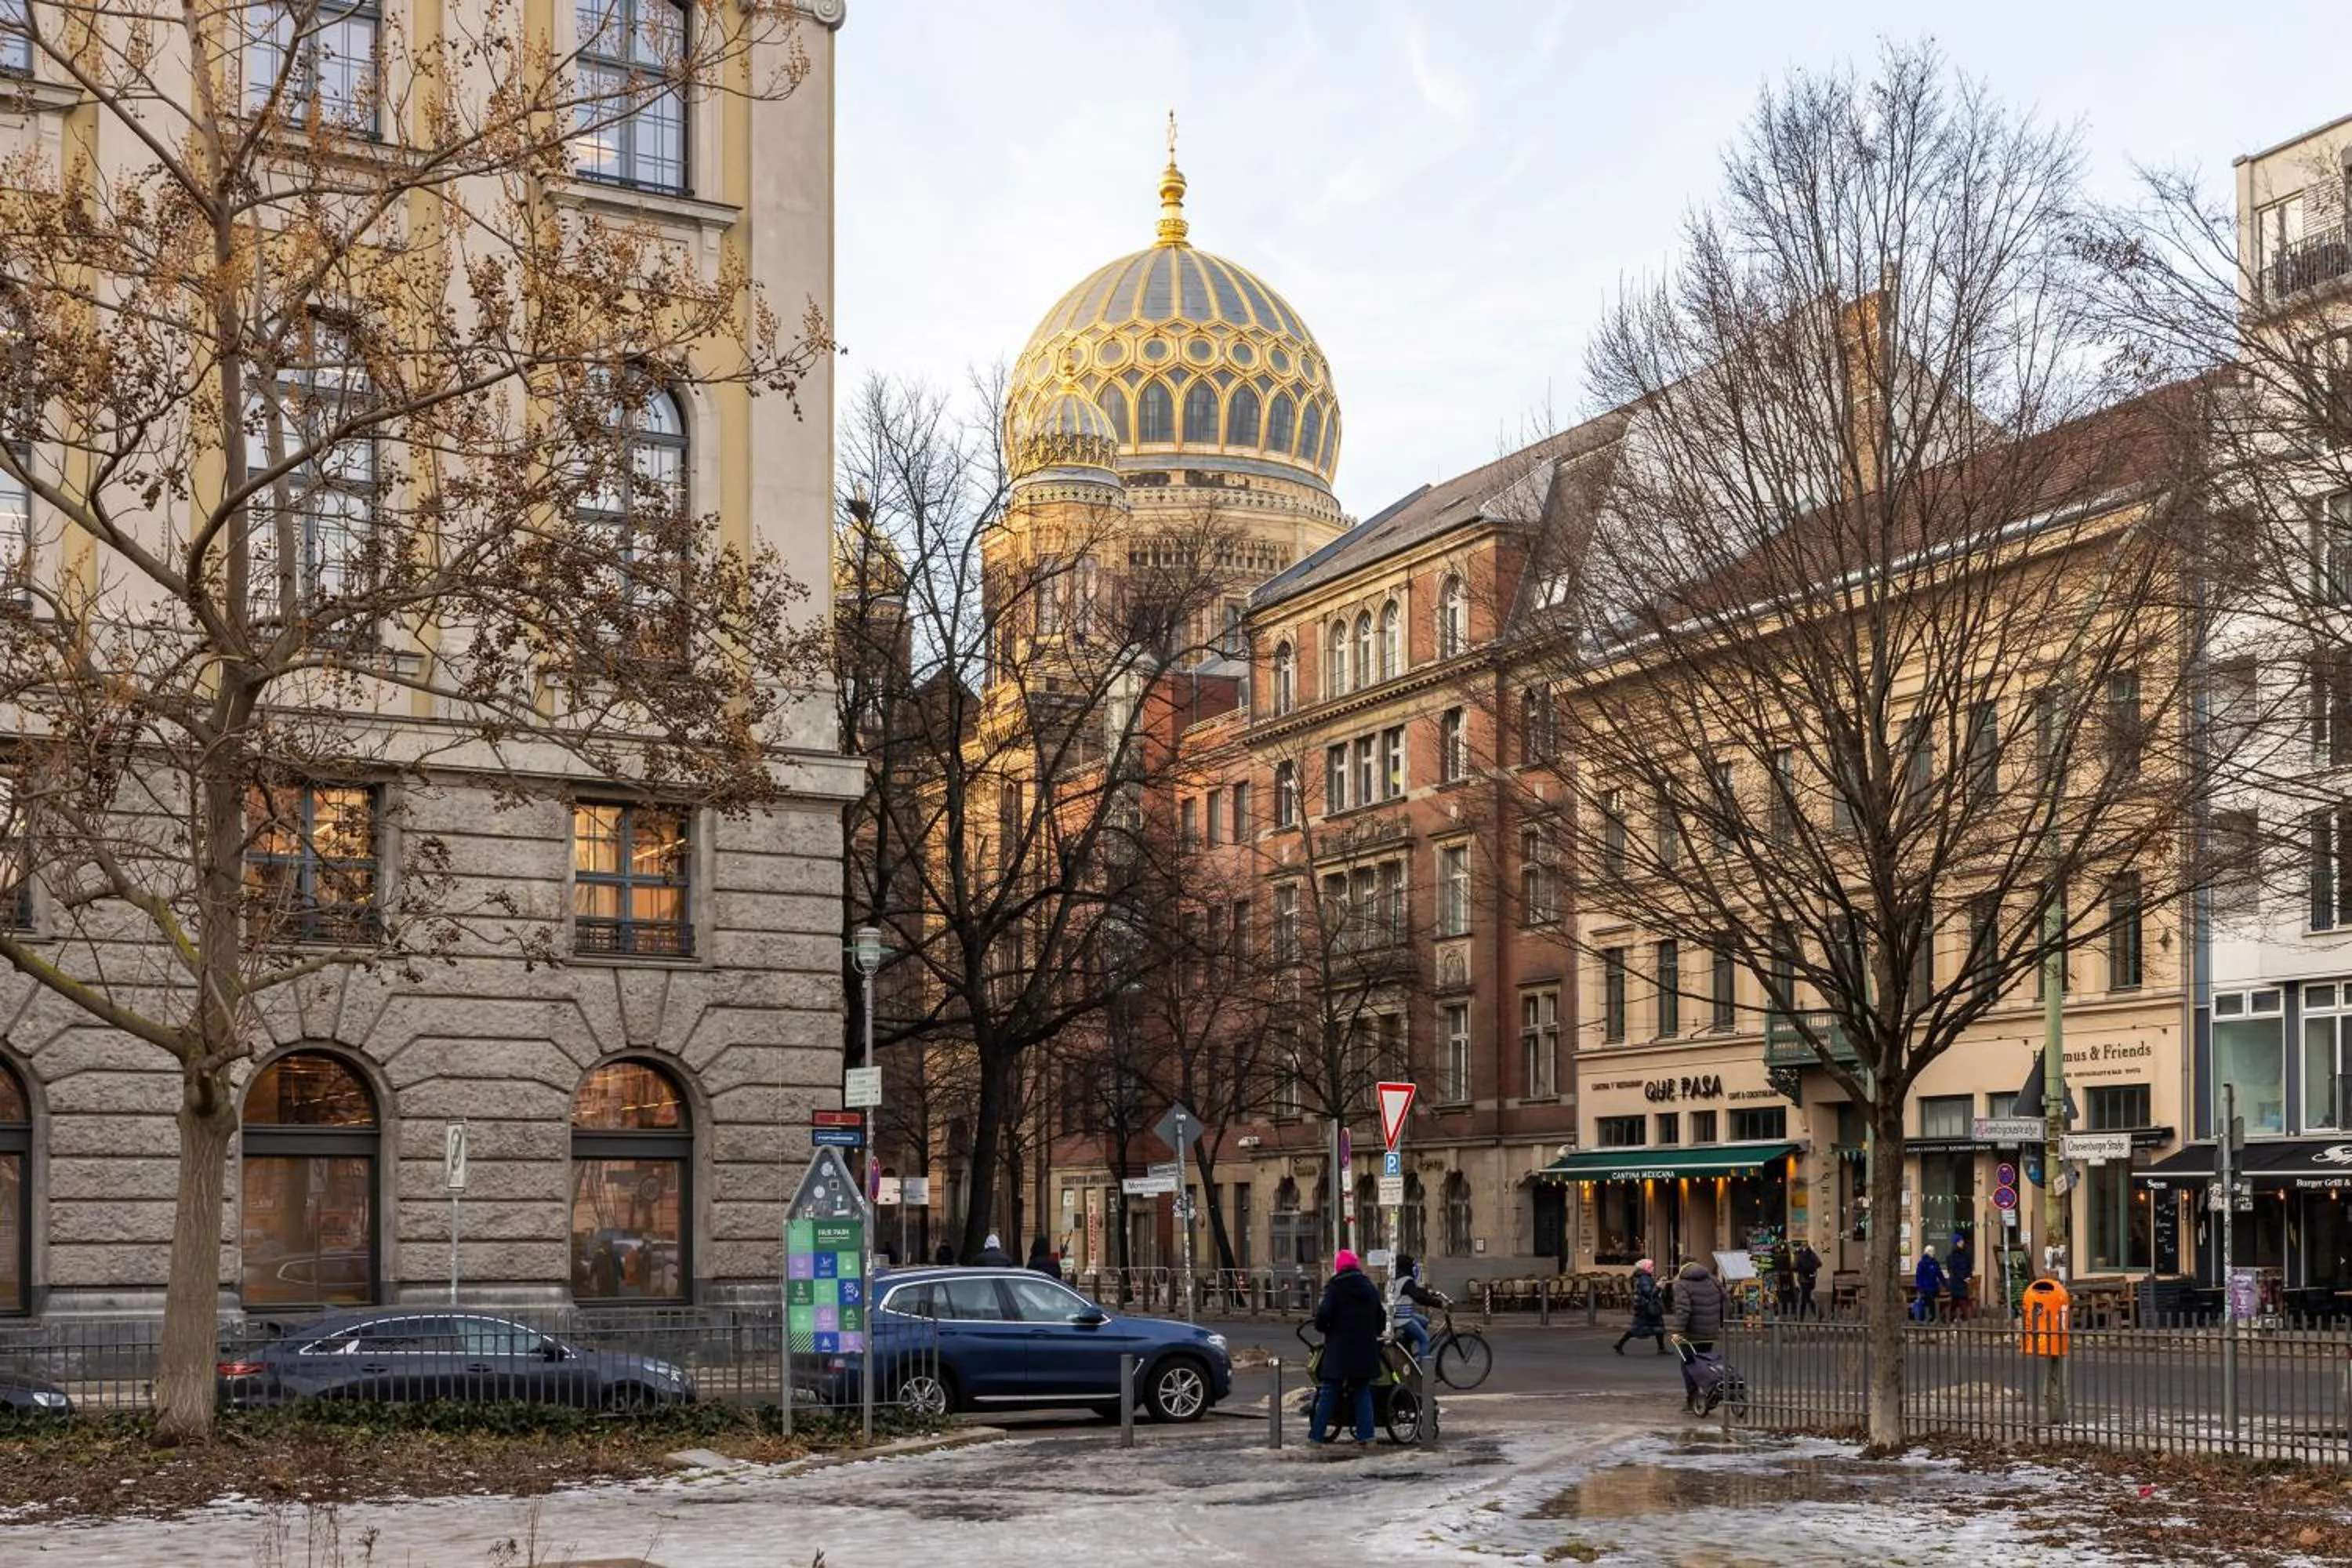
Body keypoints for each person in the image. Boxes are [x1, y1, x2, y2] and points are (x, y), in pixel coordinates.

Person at [1309, 1248, 1385, 1445]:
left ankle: (1317, 1437)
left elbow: (1323, 1316)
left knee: (1329, 1392)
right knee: (1362, 1391)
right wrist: (1372, 1334)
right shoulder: (1369, 1287)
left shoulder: (1335, 1288)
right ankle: (1367, 1437)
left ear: (1338, 1267)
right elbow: (1381, 1318)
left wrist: (1325, 1328)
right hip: (1364, 1350)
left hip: (1339, 1350)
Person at [1668, 1259, 1726, 1410]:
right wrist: (1719, 1323)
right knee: (1706, 1363)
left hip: (1691, 1333)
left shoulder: (1681, 1284)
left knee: (1689, 1365)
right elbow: (1726, 1301)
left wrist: (1678, 1332)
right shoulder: (1713, 1280)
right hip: (1710, 1331)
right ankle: (1710, 1393)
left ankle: (1693, 1398)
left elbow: (1683, 1310)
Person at [1387, 1253, 1445, 1362]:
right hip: (1402, 1319)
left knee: (1424, 1321)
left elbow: (1414, 1290)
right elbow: (1417, 1297)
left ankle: (1406, 1342)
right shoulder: (1405, 1280)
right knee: (1424, 1339)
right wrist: (1439, 1304)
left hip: (1399, 1315)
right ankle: (1421, 1371)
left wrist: (1429, 1292)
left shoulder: (1396, 1278)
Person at [1614, 1258, 1670, 1356]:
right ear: (1646, 1268)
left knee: (1657, 1326)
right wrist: (1658, 1287)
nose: (1653, 1268)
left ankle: (1661, 1348)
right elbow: (1648, 1293)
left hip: (1645, 1306)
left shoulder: (1643, 1277)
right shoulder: (1644, 1278)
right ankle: (1619, 1344)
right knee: (1638, 1328)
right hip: (1646, 1307)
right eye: (1651, 1266)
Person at [1911, 1245, 1945, 1322]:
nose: (1933, 1253)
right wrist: (1920, 1287)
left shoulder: (1935, 1263)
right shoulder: (1922, 1263)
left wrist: (1945, 1284)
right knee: (1929, 1303)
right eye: (1932, 1251)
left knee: (1933, 1302)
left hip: (1934, 1287)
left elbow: (1940, 1274)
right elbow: (1919, 1276)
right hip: (1926, 1288)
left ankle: (1933, 1317)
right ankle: (1931, 1318)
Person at [1944, 1234, 1973, 1321]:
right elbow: (1953, 1270)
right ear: (1956, 1243)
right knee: (1959, 1301)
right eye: (1960, 1241)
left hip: (1964, 1283)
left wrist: (1969, 1276)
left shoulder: (1966, 1255)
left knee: (1959, 1301)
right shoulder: (1951, 1256)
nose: (1963, 1243)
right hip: (1956, 1283)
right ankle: (1966, 1319)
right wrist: (1963, 1278)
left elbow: (1969, 1267)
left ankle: (1948, 1318)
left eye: (1962, 1241)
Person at [1793, 1238, 1823, 1320]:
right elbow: (1819, 1264)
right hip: (1811, 1279)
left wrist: (1801, 1269)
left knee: (1807, 1298)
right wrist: (1812, 1269)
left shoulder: (1798, 1255)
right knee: (1803, 1297)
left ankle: (1818, 1314)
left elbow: (1794, 1267)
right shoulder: (1811, 1253)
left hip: (1803, 1279)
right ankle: (1800, 1317)